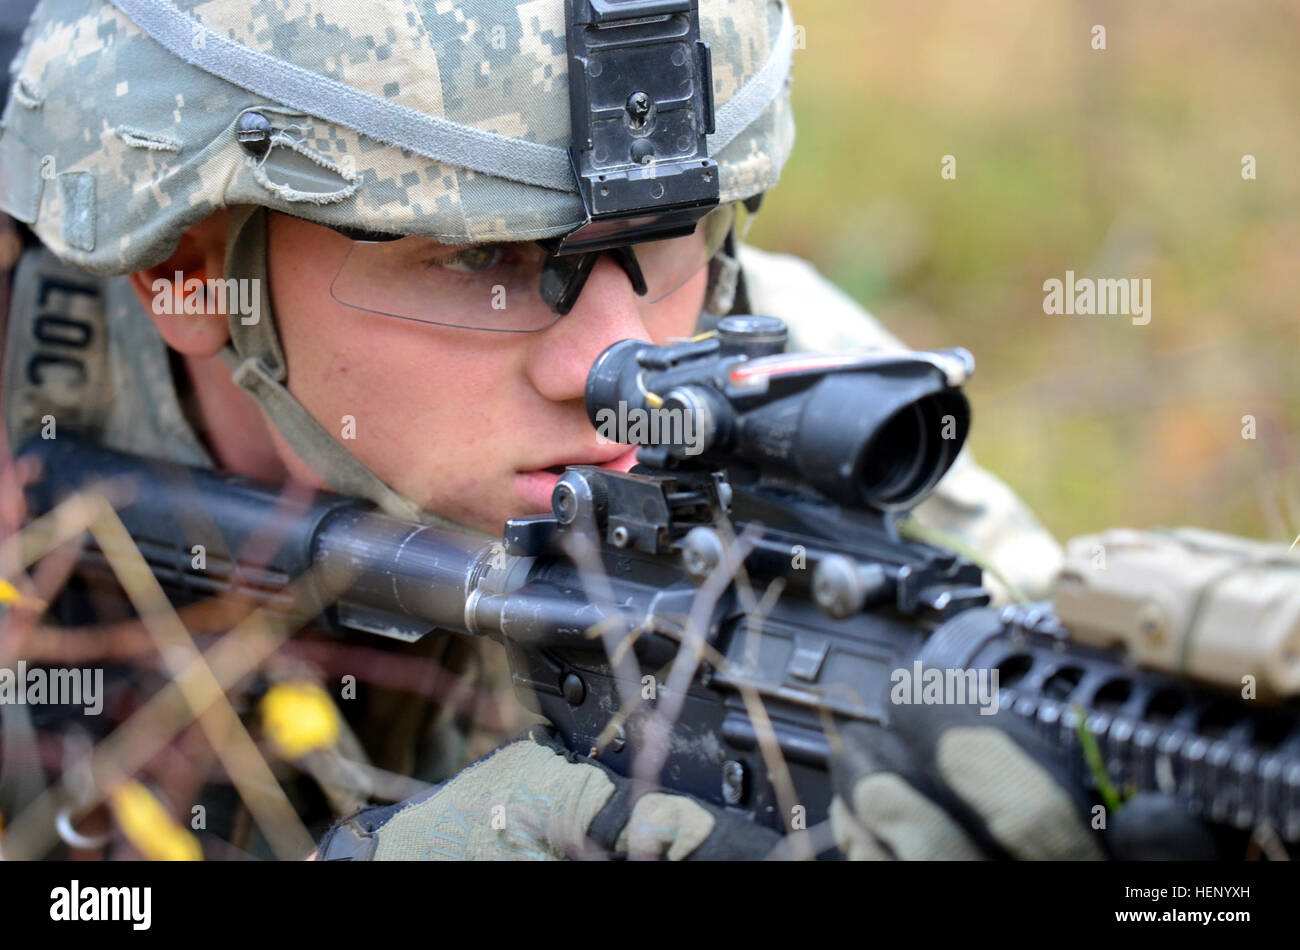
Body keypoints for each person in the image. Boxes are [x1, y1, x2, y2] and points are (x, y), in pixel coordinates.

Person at [0, 0, 1112, 860]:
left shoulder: (802, 405)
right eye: (481, 258)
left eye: (669, 238)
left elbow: (1048, 669)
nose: (610, 362)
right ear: (189, 268)